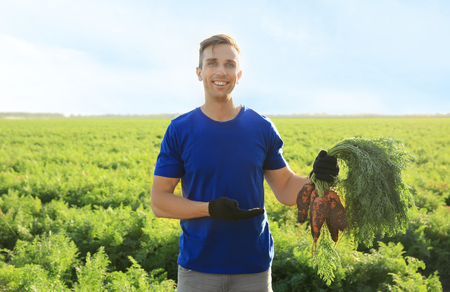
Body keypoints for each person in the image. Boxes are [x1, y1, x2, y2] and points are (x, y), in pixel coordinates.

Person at [151, 34, 339, 292]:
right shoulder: (180, 130)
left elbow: (284, 188)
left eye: (229, 64)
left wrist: (317, 179)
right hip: (198, 269)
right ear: (199, 72)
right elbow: (159, 202)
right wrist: (211, 209)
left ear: (239, 74)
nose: (221, 71)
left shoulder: (261, 127)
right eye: (212, 63)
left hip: (253, 269)